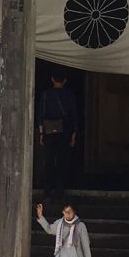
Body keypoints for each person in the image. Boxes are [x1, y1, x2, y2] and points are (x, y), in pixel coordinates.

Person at [37, 72, 81, 200]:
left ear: (52, 79)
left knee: (49, 161)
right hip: (65, 132)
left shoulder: (45, 95)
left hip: (49, 131)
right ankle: (59, 191)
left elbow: (41, 115)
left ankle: (47, 190)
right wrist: (73, 136)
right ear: (65, 80)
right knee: (62, 161)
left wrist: (41, 133)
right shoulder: (70, 96)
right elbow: (74, 118)